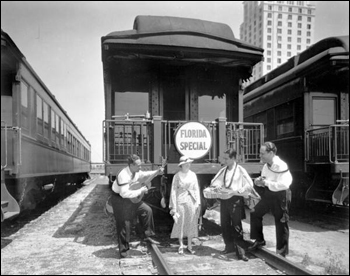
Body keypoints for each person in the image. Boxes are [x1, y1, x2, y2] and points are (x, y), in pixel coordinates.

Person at [110, 154, 164, 258]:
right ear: (131, 165)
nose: (140, 167)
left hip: (131, 197)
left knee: (147, 210)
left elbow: (144, 174)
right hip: (120, 199)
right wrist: (141, 190)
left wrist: (157, 172)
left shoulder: (135, 171)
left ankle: (148, 235)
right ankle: (124, 252)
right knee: (124, 225)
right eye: (138, 165)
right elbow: (124, 194)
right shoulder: (123, 174)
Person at [248, 142, 293, 257]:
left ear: (271, 153)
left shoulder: (281, 165)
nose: (260, 156)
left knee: (281, 221)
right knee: (255, 212)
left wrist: (266, 183)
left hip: (281, 195)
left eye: (262, 153)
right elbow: (265, 179)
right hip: (269, 194)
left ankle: (281, 252)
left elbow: (284, 184)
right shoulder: (266, 165)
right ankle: (259, 240)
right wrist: (259, 181)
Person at [209, 148, 253, 261]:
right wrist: (217, 186)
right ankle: (229, 247)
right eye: (224, 158)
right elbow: (214, 181)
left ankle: (241, 253)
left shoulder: (240, 170)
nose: (224, 160)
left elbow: (249, 184)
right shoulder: (223, 170)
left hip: (235, 200)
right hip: (224, 200)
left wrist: (239, 191)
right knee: (225, 225)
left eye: (226, 158)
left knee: (236, 226)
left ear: (233, 158)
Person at [169, 155, 201, 255]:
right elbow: (173, 191)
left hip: (191, 200)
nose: (188, 165)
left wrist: (198, 202)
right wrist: (173, 206)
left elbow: (196, 189)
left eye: (189, 163)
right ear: (181, 165)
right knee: (180, 222)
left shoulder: (193, 175)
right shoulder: (177, 176)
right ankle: (181, 244)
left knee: (191, 222)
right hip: (180, 200)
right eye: (185, 164)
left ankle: (190, 245)